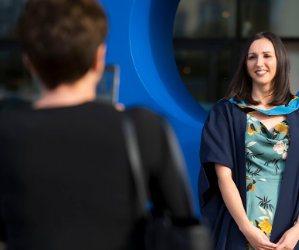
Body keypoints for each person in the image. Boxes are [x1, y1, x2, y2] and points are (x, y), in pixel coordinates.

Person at [0, 0, 195, 249]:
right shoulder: (139, 128)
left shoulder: (6, 133)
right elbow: (183, 224)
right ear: (99, 59)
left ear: (29, 63)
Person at [198, 31, 299, 250]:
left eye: (267, 55)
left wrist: (298, 229)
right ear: (245, 64)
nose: (259, 63)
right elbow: (223, 177)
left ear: (280, 60)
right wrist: (247, 229)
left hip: (290, 236)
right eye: (252, 57)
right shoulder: (226, 113)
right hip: (240, 232)